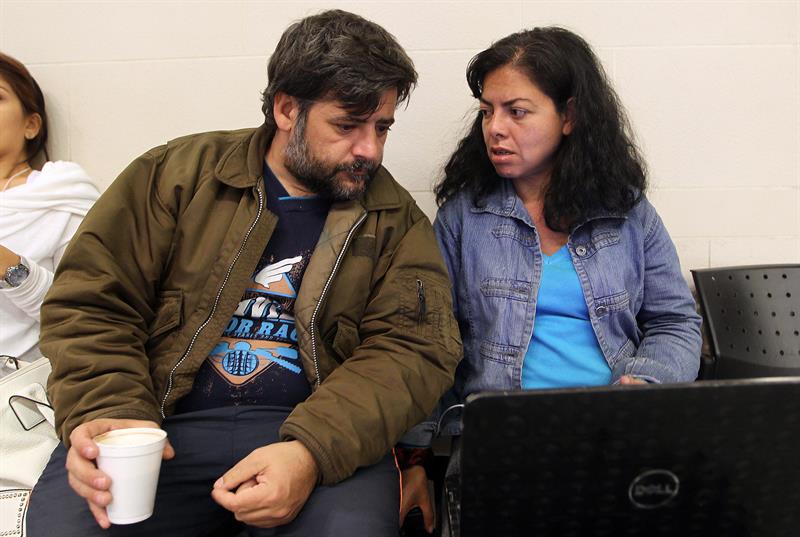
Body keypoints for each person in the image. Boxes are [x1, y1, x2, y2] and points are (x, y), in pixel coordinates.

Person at [28, 10, 462, 537]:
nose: (370, 149)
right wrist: (112, 415)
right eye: (347, 125)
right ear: (286, 109)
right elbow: (91, 303)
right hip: (159, 425)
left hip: (318, 436)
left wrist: (311, 453)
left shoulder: (394, 219)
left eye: (382, 127)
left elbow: (414, 350)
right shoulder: (175, 177)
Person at [397, 27, 702, 533]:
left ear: (569, 116)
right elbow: (425, 345)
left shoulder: (628, 214)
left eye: (516, 111)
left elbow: (675, 321)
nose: (495, 128)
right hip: (502, 440)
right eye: (487, 110)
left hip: (615, 434)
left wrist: (644, 384)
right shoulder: (462, 219)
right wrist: (414, 463)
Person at [0, 52, 99, 372]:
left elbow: (86, 315)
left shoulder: (59, 195)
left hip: (15, 391)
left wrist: (11, 268)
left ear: (31, 125)